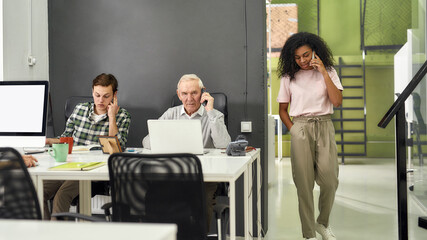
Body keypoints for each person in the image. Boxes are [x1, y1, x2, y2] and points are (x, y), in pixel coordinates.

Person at [142, 73, 231, 228]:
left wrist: (210, 111)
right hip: (173, 175)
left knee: (201, 203)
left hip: (203, 177)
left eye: (194, 93)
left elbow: (224, 144)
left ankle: (198, 236)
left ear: (203, 92)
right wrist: (167, 138)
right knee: (152, 196)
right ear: (178, 94)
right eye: (184, 93)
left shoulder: (215, 115)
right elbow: (146, 142)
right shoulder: (171, 114)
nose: (189, 98)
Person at [277, 32, 343, 240]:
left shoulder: (329, 71)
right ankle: (308, 234)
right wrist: (294, 129)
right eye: (297, 57)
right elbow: (282, 110)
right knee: (304, 185)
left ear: (315, 51)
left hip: (324, 126)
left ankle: (322, 223)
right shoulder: (289, 77)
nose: (302, 60)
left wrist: (323, 71)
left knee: (330, 179)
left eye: (306, 55)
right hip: (301, 127)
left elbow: (337, 101)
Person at [43, 73, 131, 220]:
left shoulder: (122, 116)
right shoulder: (80, 109)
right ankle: (44, 232)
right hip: (69, 166)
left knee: (61, 196)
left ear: (115, 95)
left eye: (106, 96)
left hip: (94, 171)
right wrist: (48, 141)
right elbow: (66, 139)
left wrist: (111, 117)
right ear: (92, 92)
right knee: (38, 191)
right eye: (97, 95)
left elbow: (115, 149)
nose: (100, 100)